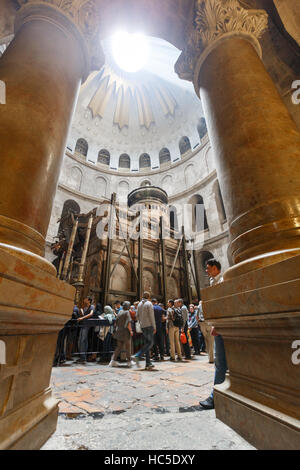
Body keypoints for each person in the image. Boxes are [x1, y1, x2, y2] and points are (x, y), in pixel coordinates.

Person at [199, 259, 227, 410]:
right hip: (218, 325)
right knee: (223, 362)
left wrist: (217, 324)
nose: (206, 270)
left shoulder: (222, 280)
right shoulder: (213, 281)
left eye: (208, 268)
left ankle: (215, 397)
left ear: (215, 268)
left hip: (222, 327)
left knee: (220, 362)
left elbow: (223, 303)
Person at [133, 292, 156, 370]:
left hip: (142, 326)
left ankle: (148, 363)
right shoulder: (149, 304)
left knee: (147, 344)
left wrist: (141, 322)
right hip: (149, 325)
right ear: (149, 297)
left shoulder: (139, 304)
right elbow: (151, 316)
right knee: (150, 343)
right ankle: (137, 355)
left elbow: (137, 316)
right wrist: (154, 326)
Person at [109, 301, 133, 368]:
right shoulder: (127, 312)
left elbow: (116, 322)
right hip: (125, 332)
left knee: (118, 347)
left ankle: (112, 361)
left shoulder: (120, 312)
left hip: (119, 331)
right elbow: (128, 323)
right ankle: (129, 362)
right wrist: (131, 331)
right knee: (128, 347)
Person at [77, 296, 95, 364]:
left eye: (85, 299)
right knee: (81, 340)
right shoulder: (84, 307)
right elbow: (84, 314)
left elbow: (91, 314)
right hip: (83, 324)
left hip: (87, 325)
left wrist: (82, 318)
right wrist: (81, 311)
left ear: (88, 300)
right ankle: (82, 356)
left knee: (83, 339)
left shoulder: (92, 307)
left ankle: (83, 357)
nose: (84, 300)